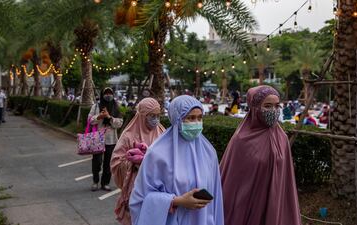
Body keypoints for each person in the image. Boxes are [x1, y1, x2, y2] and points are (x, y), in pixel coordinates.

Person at [129, 95, 224, 225]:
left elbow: (216, 197)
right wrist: (177, 201)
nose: (196, 122)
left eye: (199, 118)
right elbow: (140, 198)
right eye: (190, 118)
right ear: (177, 119)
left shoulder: (209, 153)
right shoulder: (157, 154)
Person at [220, 85, 301, 225]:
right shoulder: (241, 140)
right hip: (248, 206)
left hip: (276, 202)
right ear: (255, 108)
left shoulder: (281, 137)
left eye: (277, 106)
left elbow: (285, 178)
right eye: (268, 106)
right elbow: (232, 183)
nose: (274, 111)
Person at [110, 98, 165, 225]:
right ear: (142, 116)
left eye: (158, 115)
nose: (156, 119)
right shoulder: (128, 136)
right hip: (135, 189)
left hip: (158, 188)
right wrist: (132, 163)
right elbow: (116, 163)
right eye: (152, 115)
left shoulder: (162, 132)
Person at [88, 87, 123, 191]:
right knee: (97, 161)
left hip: (111, 140)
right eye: (106, 93)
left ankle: (105, 183)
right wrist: (99, 116)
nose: (108, 95)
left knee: (108, 162)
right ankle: (95, 181)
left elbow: (119, 123)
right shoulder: (96, 106)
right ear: (102, 94)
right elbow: (90, 119)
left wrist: (109, 117)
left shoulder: (116, 107)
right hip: (97, 138)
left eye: (110, 93)